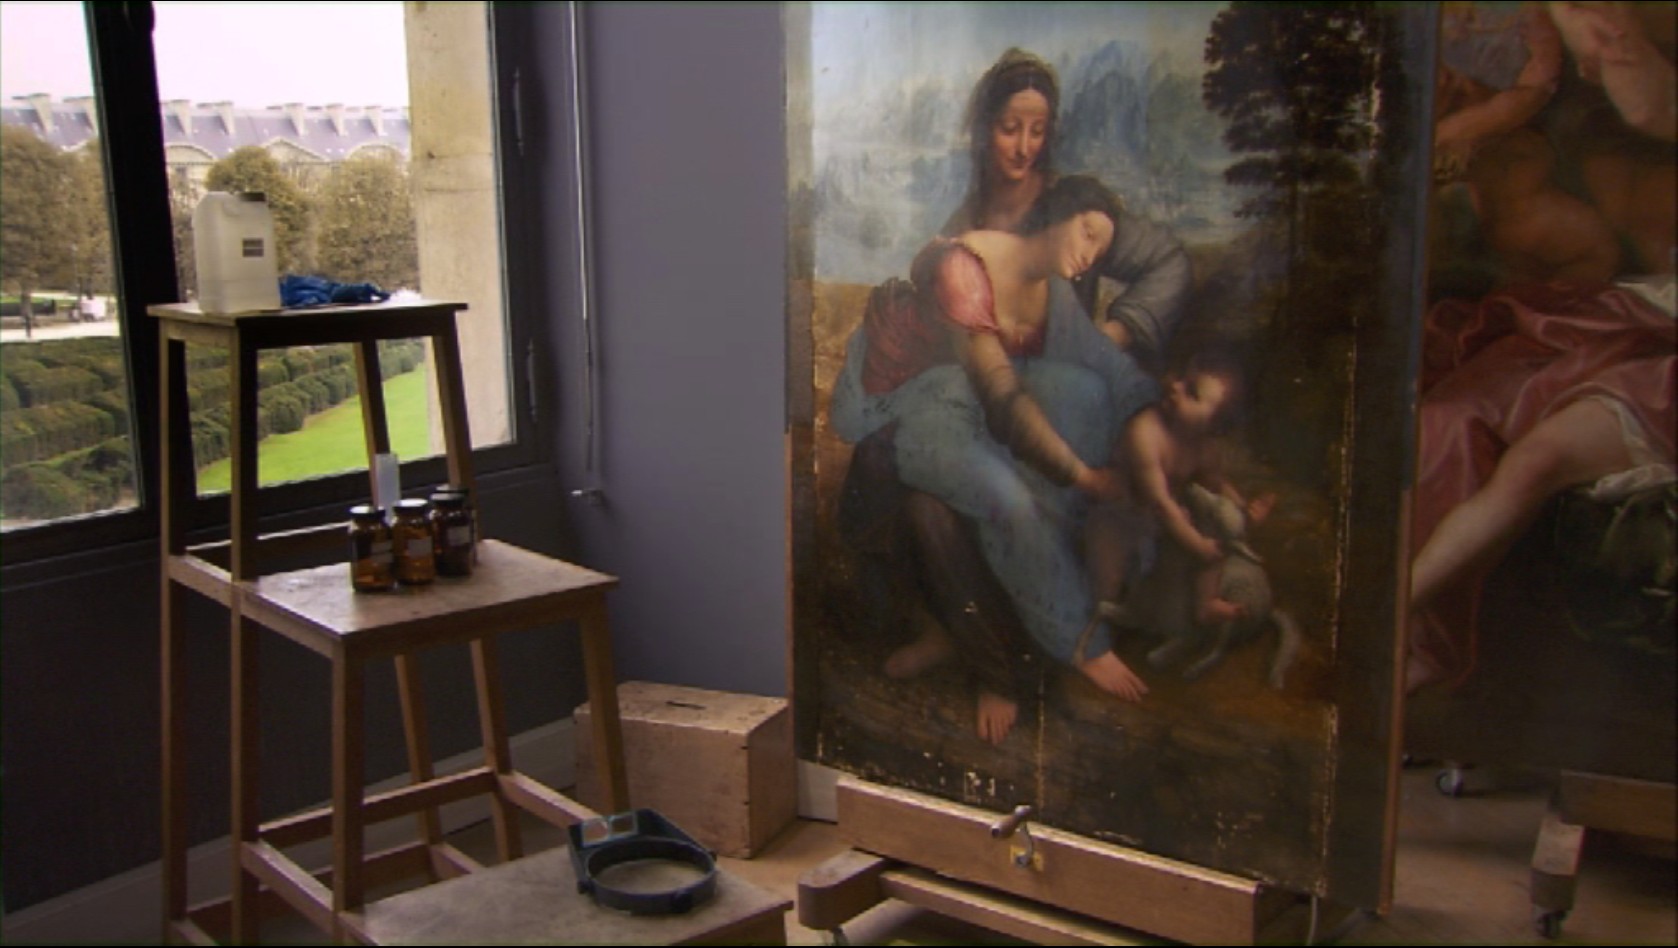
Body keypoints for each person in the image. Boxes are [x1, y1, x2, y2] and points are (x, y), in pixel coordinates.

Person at [835, 49, 1193, 743]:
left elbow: (1144, 296)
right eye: (1009, 128)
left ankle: (1018, 645)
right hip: (963, 404)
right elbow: (990, 383)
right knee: (928, 497)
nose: (1024, 146)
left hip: (1027, 406)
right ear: (985, 129)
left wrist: (1119, 337)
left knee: (1055, 439)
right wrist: (1077, 471)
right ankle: (976, 645)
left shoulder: (1072, 220)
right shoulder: (967, 236)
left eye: (1038, 129)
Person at [1408, 0, 1677, 691]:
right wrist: (1588, 25)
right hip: (1646, 315)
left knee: (1536, 461)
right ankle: (1390, 629)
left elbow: (1647, 106)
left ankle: (1381, 630)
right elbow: (1645, 103)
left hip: (1660, 361)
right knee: (1466, 422)